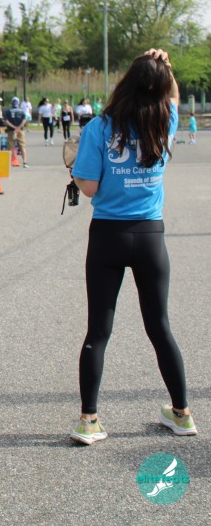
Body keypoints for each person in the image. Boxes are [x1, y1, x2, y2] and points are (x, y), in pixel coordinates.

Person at [70, 49, 197, 445]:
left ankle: (89, 420)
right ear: (160, 89)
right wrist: (166, 69)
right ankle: (182, 414)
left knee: (98, 330)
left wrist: (75, 172)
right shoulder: (165, 120)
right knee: (160, 326)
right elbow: (173, 97)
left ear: (125, 83)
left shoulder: (99, 127)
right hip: (150, 235)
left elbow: (89, 187)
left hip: (108, 234)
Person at [3, 96, 29, 167]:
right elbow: (24, 120)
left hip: (11, 130)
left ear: (12, 102)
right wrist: (19, 127)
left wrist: (14, 127)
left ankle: (8, 162)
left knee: (10, 146)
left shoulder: (8, 111)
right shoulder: (22, 111)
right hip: (20, 130)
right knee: (22, 146)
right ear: (18, 103)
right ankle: (24, 162)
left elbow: (6, 121)